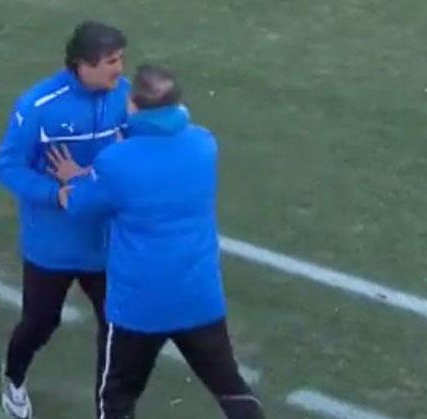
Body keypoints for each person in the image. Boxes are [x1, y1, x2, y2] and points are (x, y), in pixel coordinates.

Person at [50, 64, 265, 419]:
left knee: (115, 401)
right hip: (198, 296)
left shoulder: (116, 161)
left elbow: (79, 205)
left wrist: (74, 178)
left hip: (139, 306)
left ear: (134, 105)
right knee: (232, 391)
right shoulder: (204, 144)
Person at [0, 21, 129, 419]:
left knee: (115, 329)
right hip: (52, 246)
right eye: (111, 61)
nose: (120, 69)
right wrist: (57, 194)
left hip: (105, 243)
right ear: (83, 64)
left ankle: (109, 410)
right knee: (40, 322)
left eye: (120, 59)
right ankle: (13, 376)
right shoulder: (38, 106)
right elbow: (8, 166)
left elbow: (138, 154)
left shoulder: (125, 96)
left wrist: (89, 177)